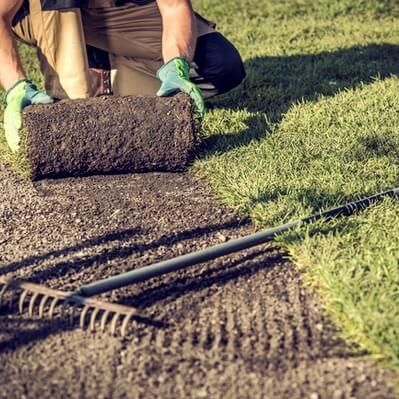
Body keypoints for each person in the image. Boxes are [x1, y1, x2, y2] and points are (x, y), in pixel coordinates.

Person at [0, 0, 246, 152]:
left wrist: (177, 67)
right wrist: (16, 86)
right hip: (48, 10)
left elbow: (174, 7)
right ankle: (74, 83)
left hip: (120, 13)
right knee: (77, 118)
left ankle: (102, 74)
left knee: (220, 65)